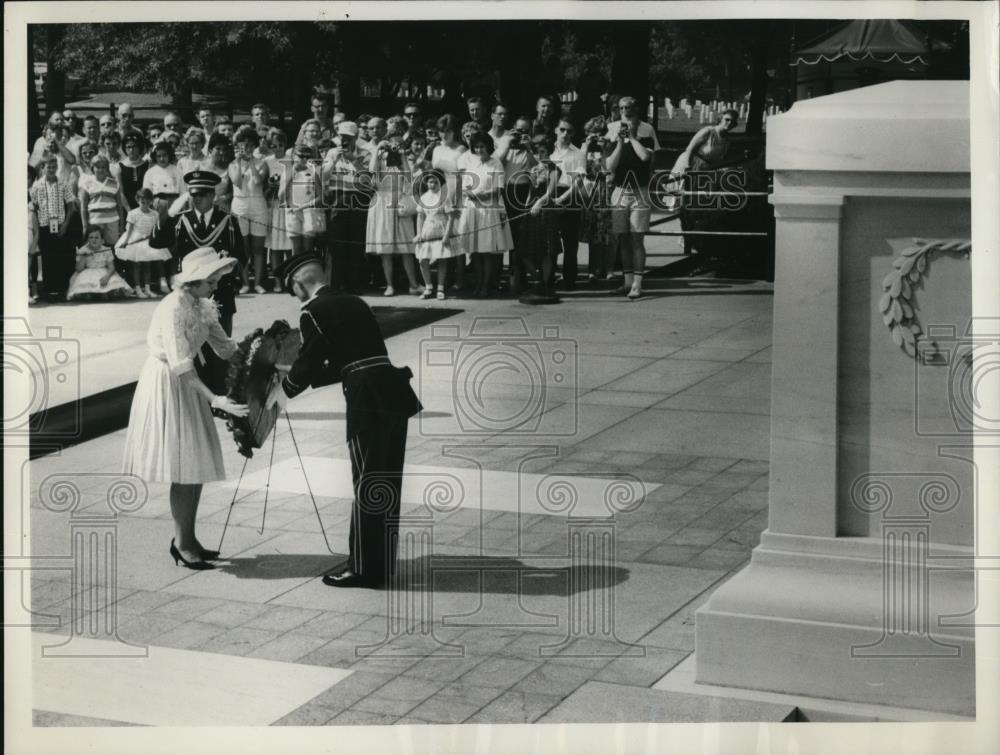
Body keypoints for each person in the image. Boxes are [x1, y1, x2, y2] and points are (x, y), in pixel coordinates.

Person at [265, 254, 422, 588]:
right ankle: (380, 564)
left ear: (299, 282)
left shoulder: (312, 311)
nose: (294, 296)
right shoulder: (355, 301)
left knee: (366, 481)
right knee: (386, 479)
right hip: (392, 388)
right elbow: (345, 356)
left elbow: (309, 361)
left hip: (367, 397)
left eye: (292, 288)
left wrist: (284, 390)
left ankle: (364, 569)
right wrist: (294, 374)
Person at [121, 248, 249, 570]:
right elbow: (180, 365)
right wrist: (215, 399)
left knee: (194, 464)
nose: (216, 286)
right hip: (168, 382)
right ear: (193, 281)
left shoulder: (201, 303)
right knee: (183, 465)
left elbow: (227, 348)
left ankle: (189, 540)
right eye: (211, 281)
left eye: (218, 280)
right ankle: (181, 542)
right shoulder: (174, 307)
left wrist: (262, 358)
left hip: (187, 384)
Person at [606, 95, 660, 299]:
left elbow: (646, 157)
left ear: (635, 108)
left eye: (628, 107)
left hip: (640, 190)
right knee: (623, 238)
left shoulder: (647, 129)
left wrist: (633, 137)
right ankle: (627, 281)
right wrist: (620, 142)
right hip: (620, 189)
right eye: (621, 108)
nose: (625, 111)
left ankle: (638, 283)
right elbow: (610, 165)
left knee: (637, 237)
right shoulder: (612, 129)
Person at [457, 132, 513, 297]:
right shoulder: (472, 164)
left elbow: (498, 189)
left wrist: (481, 195)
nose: (480, 149)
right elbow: (465, 186)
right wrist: (471, 194)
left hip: (489, 210)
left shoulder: (496, 164)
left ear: (488, 147)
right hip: (472, 210)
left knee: (487, 251)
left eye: (482, 146)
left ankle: (486, 286)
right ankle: (478, 283)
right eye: (477, 147)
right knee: (474, 251)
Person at [323, 121, 372, 293]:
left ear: (355, 138)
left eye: (348, 139)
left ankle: (355, 283)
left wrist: (354, 161)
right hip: (338, 197)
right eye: (342, 138)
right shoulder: (331, 152)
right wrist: (333, 161)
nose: (345, 142)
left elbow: (367, 180)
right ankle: (333, 284)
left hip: (358, 197)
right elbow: (323, 177)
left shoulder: (365, 153)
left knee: (356, 241)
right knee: (336, 241)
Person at [366, 144, 420, 296]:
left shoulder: (401, 163)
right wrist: (378, 149)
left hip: (400, 202)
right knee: (385, 249)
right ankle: (390, 285)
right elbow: (371, 171)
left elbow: (409, 178)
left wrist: (402, 157)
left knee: (406, 247)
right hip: (382, 202)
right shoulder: (379, 161)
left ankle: (413, 285)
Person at [494, 116, 537, 296]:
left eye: (525, 131)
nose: (521, 135)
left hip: (523, 191)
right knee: (505, 235)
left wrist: (528, 147)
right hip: (506, 191)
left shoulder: (530, 148)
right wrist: (507, 144)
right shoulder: (504, 144)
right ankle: (505, 276)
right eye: (519, 131)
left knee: (520, 238)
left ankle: (519, 276)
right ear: (513, 130)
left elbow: (538, 167)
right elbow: (495, 162)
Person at [30, 153, 78, 302]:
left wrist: (65, 225)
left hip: (61, 225)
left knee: (62, 257)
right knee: (48, 257)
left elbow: (71, 206)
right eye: (48, 167)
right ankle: (50, 290)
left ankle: (63, 289)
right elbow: (34, 207)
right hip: (44, 227)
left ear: (57, 167)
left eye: (53, 166)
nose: (51, 169)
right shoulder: (37, 186)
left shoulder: (63, 184)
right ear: (43, 168)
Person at [229, 126, 271, 293]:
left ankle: (258, 283)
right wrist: (240, 161)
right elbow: (237, 182)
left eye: (249, 145)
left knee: (258, 247)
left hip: (258, 204)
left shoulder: (263, 163)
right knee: (243, 247)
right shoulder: (232, 164)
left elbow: (257, 181)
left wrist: (252, 161)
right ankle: (246, 283)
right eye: (242, 145)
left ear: (254, 146)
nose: (246, 148)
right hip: (239, 204)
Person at [550, 119, 586, 291]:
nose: (565, 134)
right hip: (550, 193)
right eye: (562, 129)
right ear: (556, 130)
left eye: (569, 131)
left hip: (570, 196)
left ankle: (569, 279)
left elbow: (579, 181)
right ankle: (548, 278)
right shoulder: (548, 151)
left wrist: (562, 198)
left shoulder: (578, 153)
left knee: (570, 242)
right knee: (549, 239)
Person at [117, 188, 172, 298]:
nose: (145, 205)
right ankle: (138, 289)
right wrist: (126, 242)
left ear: (151, 201)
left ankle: (147, 289)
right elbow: (129, 230)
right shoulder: (133, 213)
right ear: (137, 200)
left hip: (148, 241)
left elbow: (156, 229)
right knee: (137, 265)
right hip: (136, 240)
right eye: (143, 202)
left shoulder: (155, 214)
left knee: (148, 265)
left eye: (148, 202)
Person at [414, 169, 457, 300]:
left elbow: (451, 217)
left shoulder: (445, 196)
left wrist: (446, 235)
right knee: (423, 259)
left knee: (441, 259)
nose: (433, 185)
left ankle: (440, 288)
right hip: (427, 229)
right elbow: (420, 217)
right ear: (427, 183)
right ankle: (428, 287)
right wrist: (419, 234)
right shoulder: (424, 197)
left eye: (436, 182)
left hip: (441, 228)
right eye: (430, 182)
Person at [67, 227, 132, 300]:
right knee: (85, 292)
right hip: (87, 273)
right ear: (88, 240)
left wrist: (107, 277)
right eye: (91, 237)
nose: (93, 240)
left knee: (113, 290)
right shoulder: (83, 250)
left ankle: (103, 293)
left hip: (104, 272)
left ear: (102, 240)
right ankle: (93, 294)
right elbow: (79, 269)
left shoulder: (106, 250)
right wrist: (83, 256)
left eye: (96, 237)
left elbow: (111, 267)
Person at [283, 143, 325, 257]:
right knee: (296, 249)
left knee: (308, 249)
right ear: (293, 156)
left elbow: (321, 197)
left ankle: (308, 273)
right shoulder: (287, 172)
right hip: (292, 212)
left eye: (307, 157)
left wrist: (303, 207)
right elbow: (281, 195)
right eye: (301, 156)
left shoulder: (313, 172)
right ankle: (296, 274)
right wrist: (292, 174)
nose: (304, 159)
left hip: (309, 212)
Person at [79, 154, 128, 248]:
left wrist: (122, 226)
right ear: (92, 168)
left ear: (107, 168)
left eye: (103, 167)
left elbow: (119, 206)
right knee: (95, 246)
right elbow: (83, 208)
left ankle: (111, 262)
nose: (100, 170)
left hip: (112, 220)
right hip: (95, 221)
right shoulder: (87, 184)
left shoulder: (114, 183)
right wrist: (85, 226)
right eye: (98, 167)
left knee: (113, 245)